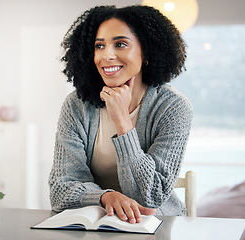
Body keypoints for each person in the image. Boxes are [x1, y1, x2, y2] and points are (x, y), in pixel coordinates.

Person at [49, 5, 193, 224]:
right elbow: (61, 189)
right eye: (99, 46)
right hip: (99, 221)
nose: (107, 55)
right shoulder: (76, 106)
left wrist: (122, 121)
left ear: (146, 52)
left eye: (120, 44)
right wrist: (106, 196)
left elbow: (151, 196)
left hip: (158, 225)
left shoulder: (174, 108)